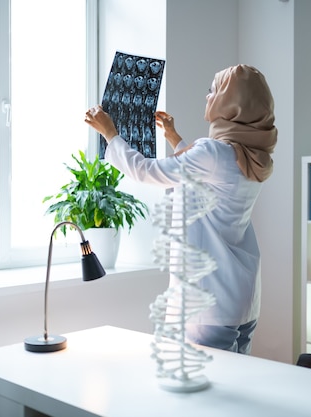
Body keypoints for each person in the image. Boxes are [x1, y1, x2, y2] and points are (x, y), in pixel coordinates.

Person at [84, 64, 277, 354]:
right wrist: (175, 139)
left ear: (233, 103)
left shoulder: (214, 153)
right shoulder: (252, 158)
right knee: (235, 386)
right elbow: (208, 180)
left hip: (208, 304)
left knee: (204, 392)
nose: (207, 95)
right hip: (243, 299)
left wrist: (111, 134)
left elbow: (148, 171)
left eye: (214, 90)